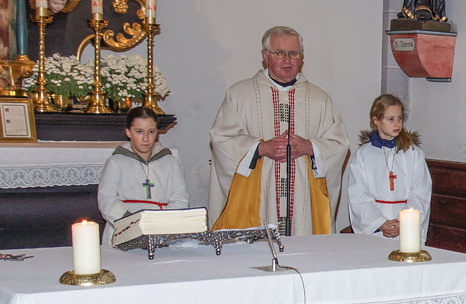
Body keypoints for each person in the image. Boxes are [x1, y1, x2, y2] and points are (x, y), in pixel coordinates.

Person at [209, 26, 350, 236]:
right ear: (265, 56)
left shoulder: (320, 100)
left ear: (302, 58)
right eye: (279, 53)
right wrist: (258, 148)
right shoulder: (239, 95)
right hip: (256, 200)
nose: (287, 60)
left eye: (293, 53)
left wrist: (311, 147)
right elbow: (221, 138)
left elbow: (339, 143)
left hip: (303, 202)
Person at [346, 93, 431, 242]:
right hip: (375, 229)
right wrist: (379, 223)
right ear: (376, 120)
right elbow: (358, 195)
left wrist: (404, 222)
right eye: (391, 119)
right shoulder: (363, 154)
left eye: (400, 118)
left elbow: (420, 192)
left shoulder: (413, 153)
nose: (397, 124)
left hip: (405, 227)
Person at [97, 106, 188, 242]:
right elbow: (107, 199)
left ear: (157, 132)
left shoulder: (170, 162)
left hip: (162, 230)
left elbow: (180, 198)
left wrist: (164, 222)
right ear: (128, 132)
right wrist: (131, 223)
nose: (145, 138)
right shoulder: (116, 162)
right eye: (139, 131)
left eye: (151, 132)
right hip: (124, 229)